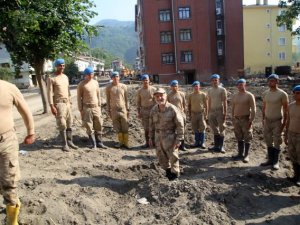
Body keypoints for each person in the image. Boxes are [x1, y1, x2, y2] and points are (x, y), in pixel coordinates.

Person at [0, 79, 35, 225]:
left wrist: (31, 131)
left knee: (9, 181)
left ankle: (12, 221)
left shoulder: (8, 87)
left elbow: (25, 109)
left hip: (6, 140)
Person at [149, 87, 184, 181]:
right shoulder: (153, 110)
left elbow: (180, 124)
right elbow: (151, 125)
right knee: (161, 157)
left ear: (166, 96)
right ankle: (168, 174)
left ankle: (175, 176)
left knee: (173, 157)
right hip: (158, 137)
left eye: (161, 95)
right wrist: (150, 138)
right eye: (157, 96)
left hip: (170, 137)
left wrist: (179, 139)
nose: (159, 98)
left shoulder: (172, 109)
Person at [47, 58, 78, 151]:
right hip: (59, 104)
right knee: (62, 124)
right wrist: (52, 106)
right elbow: (49, 93)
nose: (62, 67)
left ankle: (70, 141)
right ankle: (64, 144)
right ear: (56, 66)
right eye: (60, 65)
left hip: (67, 103)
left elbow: (68, 90)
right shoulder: (51, 78)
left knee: (69, 123)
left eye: (63, 65)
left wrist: (70, 101)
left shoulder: (65, 77)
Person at [261, 74, 288, 170]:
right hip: (267, 121)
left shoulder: (282, 94)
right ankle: (270, 160)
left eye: (273, 80)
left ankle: (276, 162)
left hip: (277, 121)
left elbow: (286, 110)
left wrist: (284, 124)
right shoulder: (265, 93)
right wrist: (263, 119)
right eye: (269, 81)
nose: (270, 82)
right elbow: (264, 107)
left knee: (277, 141)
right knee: (268, 140)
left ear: (277, 81)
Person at [77, 67, 106, 149]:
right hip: (87, 108)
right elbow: (79, 98)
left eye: (92, 74)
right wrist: (81, 110)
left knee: (99, 124)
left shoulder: (95, 83)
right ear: (85, 75)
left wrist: (99, 105)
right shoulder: (81, 85)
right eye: (89, 74)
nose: (91, 76)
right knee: (89, 126)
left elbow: (98, 95)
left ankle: (99, 142)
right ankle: (93, 144)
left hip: (96, 107)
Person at [231, 79, 256, 163]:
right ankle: (240, 154)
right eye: (238, 85)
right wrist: (233, 118)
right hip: (237, 119)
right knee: (239, 136)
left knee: (247, 137)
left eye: (241, 84)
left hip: (246, 119)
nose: (240, 86)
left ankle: (246, 155)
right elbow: (233, 107)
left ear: (245, 85)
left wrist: (251, 120)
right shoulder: (235, 96)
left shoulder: (249, 95)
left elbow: (253, 109)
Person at [106, 71, 130, 149]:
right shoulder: (109, 88)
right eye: (114, 77)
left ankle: (125, 143)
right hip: (114, 110)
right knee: (117, 126)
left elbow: (126, 99)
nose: (115, 78)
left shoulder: (124, 86)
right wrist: (108, 110)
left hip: (123, 109)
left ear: (119, 77)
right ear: (112, 78)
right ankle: (120, 142)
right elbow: (107, 99)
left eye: (117, 76)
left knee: (125, 126)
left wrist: (128, 109)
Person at [207, 74, 227, 153]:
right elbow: (209, 101)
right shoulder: (209, 90)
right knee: (214, 128)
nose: (215, 81)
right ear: (211, 81)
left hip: (219, 111)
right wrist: (208, 112)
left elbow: (225, 101)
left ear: (218, 81)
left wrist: (225, 112)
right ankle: (216, 146)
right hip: (212, 111)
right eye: (213, 80)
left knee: (222, 128)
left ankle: (221, 146)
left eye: (216, 80)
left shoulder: (222, 90)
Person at [285, 85, 300, 186]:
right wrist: (286, 134)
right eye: (295, 93)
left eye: (299, 93)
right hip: (291, 133)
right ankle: (296, 176)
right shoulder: (291, 106)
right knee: (293, 155)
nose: (297, 95)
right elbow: (288, 120)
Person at [136, 74, 156, 148]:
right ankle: (147, 143)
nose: (145, 81)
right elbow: (138, 102)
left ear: (149, 80)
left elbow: (156, 101)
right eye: (144, 80)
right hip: (144, 111)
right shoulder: (139, 91)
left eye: (147, 80)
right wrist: (139, 112)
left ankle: (154, 142)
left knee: (154, 127)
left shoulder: (153, 89)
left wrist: (157, 111)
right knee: (146, 128)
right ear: (142, 81)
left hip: (152, 110)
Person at [167, 80, 187, 151]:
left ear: (178, 86)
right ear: (171, 87)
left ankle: (182, 145)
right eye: (173, 86)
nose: (175, 87)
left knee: (182, 130)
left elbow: (184, 104)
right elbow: (167, 105)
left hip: (181, 114)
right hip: (172, 115)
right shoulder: (168, 95)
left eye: (176, 86)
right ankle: (175, 145)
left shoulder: (182, 94)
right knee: (173, 130)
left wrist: (184, 113)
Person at [187, 81, 208, 149]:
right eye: (195, 86)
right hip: (193, 114)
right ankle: (196, 142)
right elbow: (189, 105)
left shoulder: (203, 95)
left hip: (201, 114)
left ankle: (202, 143)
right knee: (195, 128)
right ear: (193, 87)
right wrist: (189, 114)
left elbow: (206, 105)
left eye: (197, 86)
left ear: (199, 87)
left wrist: (206, 114)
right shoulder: (190, 95)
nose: (196, 87)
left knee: (202, 128)